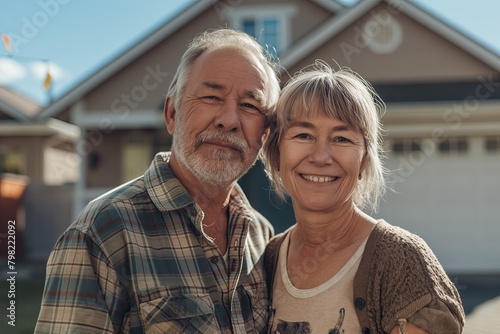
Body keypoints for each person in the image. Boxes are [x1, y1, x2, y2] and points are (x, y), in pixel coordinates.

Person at [35, 28, 280, 333]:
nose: (229, 120)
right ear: (172, 114)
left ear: (265, 135)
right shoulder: (101, 232)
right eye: (211, 96)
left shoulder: (262, 235)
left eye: (249, 105)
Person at [262, 61, 465, 334]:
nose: (321, 156)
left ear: (365, 160)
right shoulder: (268, 259)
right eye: (303, 135)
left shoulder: (399, 260)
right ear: (276, 154)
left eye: (342, 139)